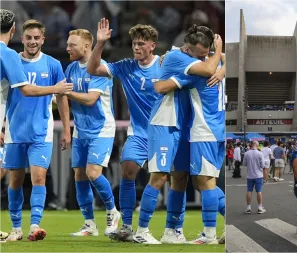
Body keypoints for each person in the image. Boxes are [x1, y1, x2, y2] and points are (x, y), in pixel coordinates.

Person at [133, 25, 223, 244]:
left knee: (189, 180)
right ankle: (142, 231)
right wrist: (219, 61)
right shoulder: (177, 57)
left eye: (206, 53)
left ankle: (174, 231)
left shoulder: (203, 62)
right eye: (199, 54)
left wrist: (221, 65)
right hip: (166, 122)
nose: (203, 57)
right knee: (164, 177)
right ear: (187, 48)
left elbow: (166, 85)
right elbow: (161, 87)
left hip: (192, 128)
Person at [86, 18, 163, 241]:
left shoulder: (165, 64)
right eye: (134, 43)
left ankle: (173, 230)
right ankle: (127, 227)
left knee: (181, 180)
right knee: (127, 171)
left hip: (165, 131)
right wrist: (99, 43)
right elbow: (92, 68)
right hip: (139, 133)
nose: (137, 47)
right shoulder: (125, 66)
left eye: (141, 43)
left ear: (152, 45)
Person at [1, 13, 72, 242]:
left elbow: (62, 97)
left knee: (39, 177)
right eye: (29, 37)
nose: (33, 41)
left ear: (43, 39)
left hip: (41, 130)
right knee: (15, 180)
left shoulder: (52, 64)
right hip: (15, 130)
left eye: (37, 37)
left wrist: (67, 129)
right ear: (20, 38)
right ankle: (15, 228)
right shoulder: (12, 61)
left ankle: (35, 225)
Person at [64, 29, 120, 237]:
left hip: (101, 129)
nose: (67, 48)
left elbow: (89, 99)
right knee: (79, 175)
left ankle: (112, 211)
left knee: (93, 173)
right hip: (80, 129)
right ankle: (89, 224)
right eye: (68, 44)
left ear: (87, 46)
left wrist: (65, 92)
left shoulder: (100, 69)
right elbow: (62, 96)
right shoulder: (70, 68)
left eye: (72, 45)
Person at [243, 141, 266, 214]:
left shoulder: (246, 153)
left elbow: (244, 164)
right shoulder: (260, 154)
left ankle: (248, 207)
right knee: (259, 191)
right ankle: (259, 207)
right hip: (258, 175)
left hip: (250, 175)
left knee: (249, 191)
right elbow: (263, 165)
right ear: (257, 145)